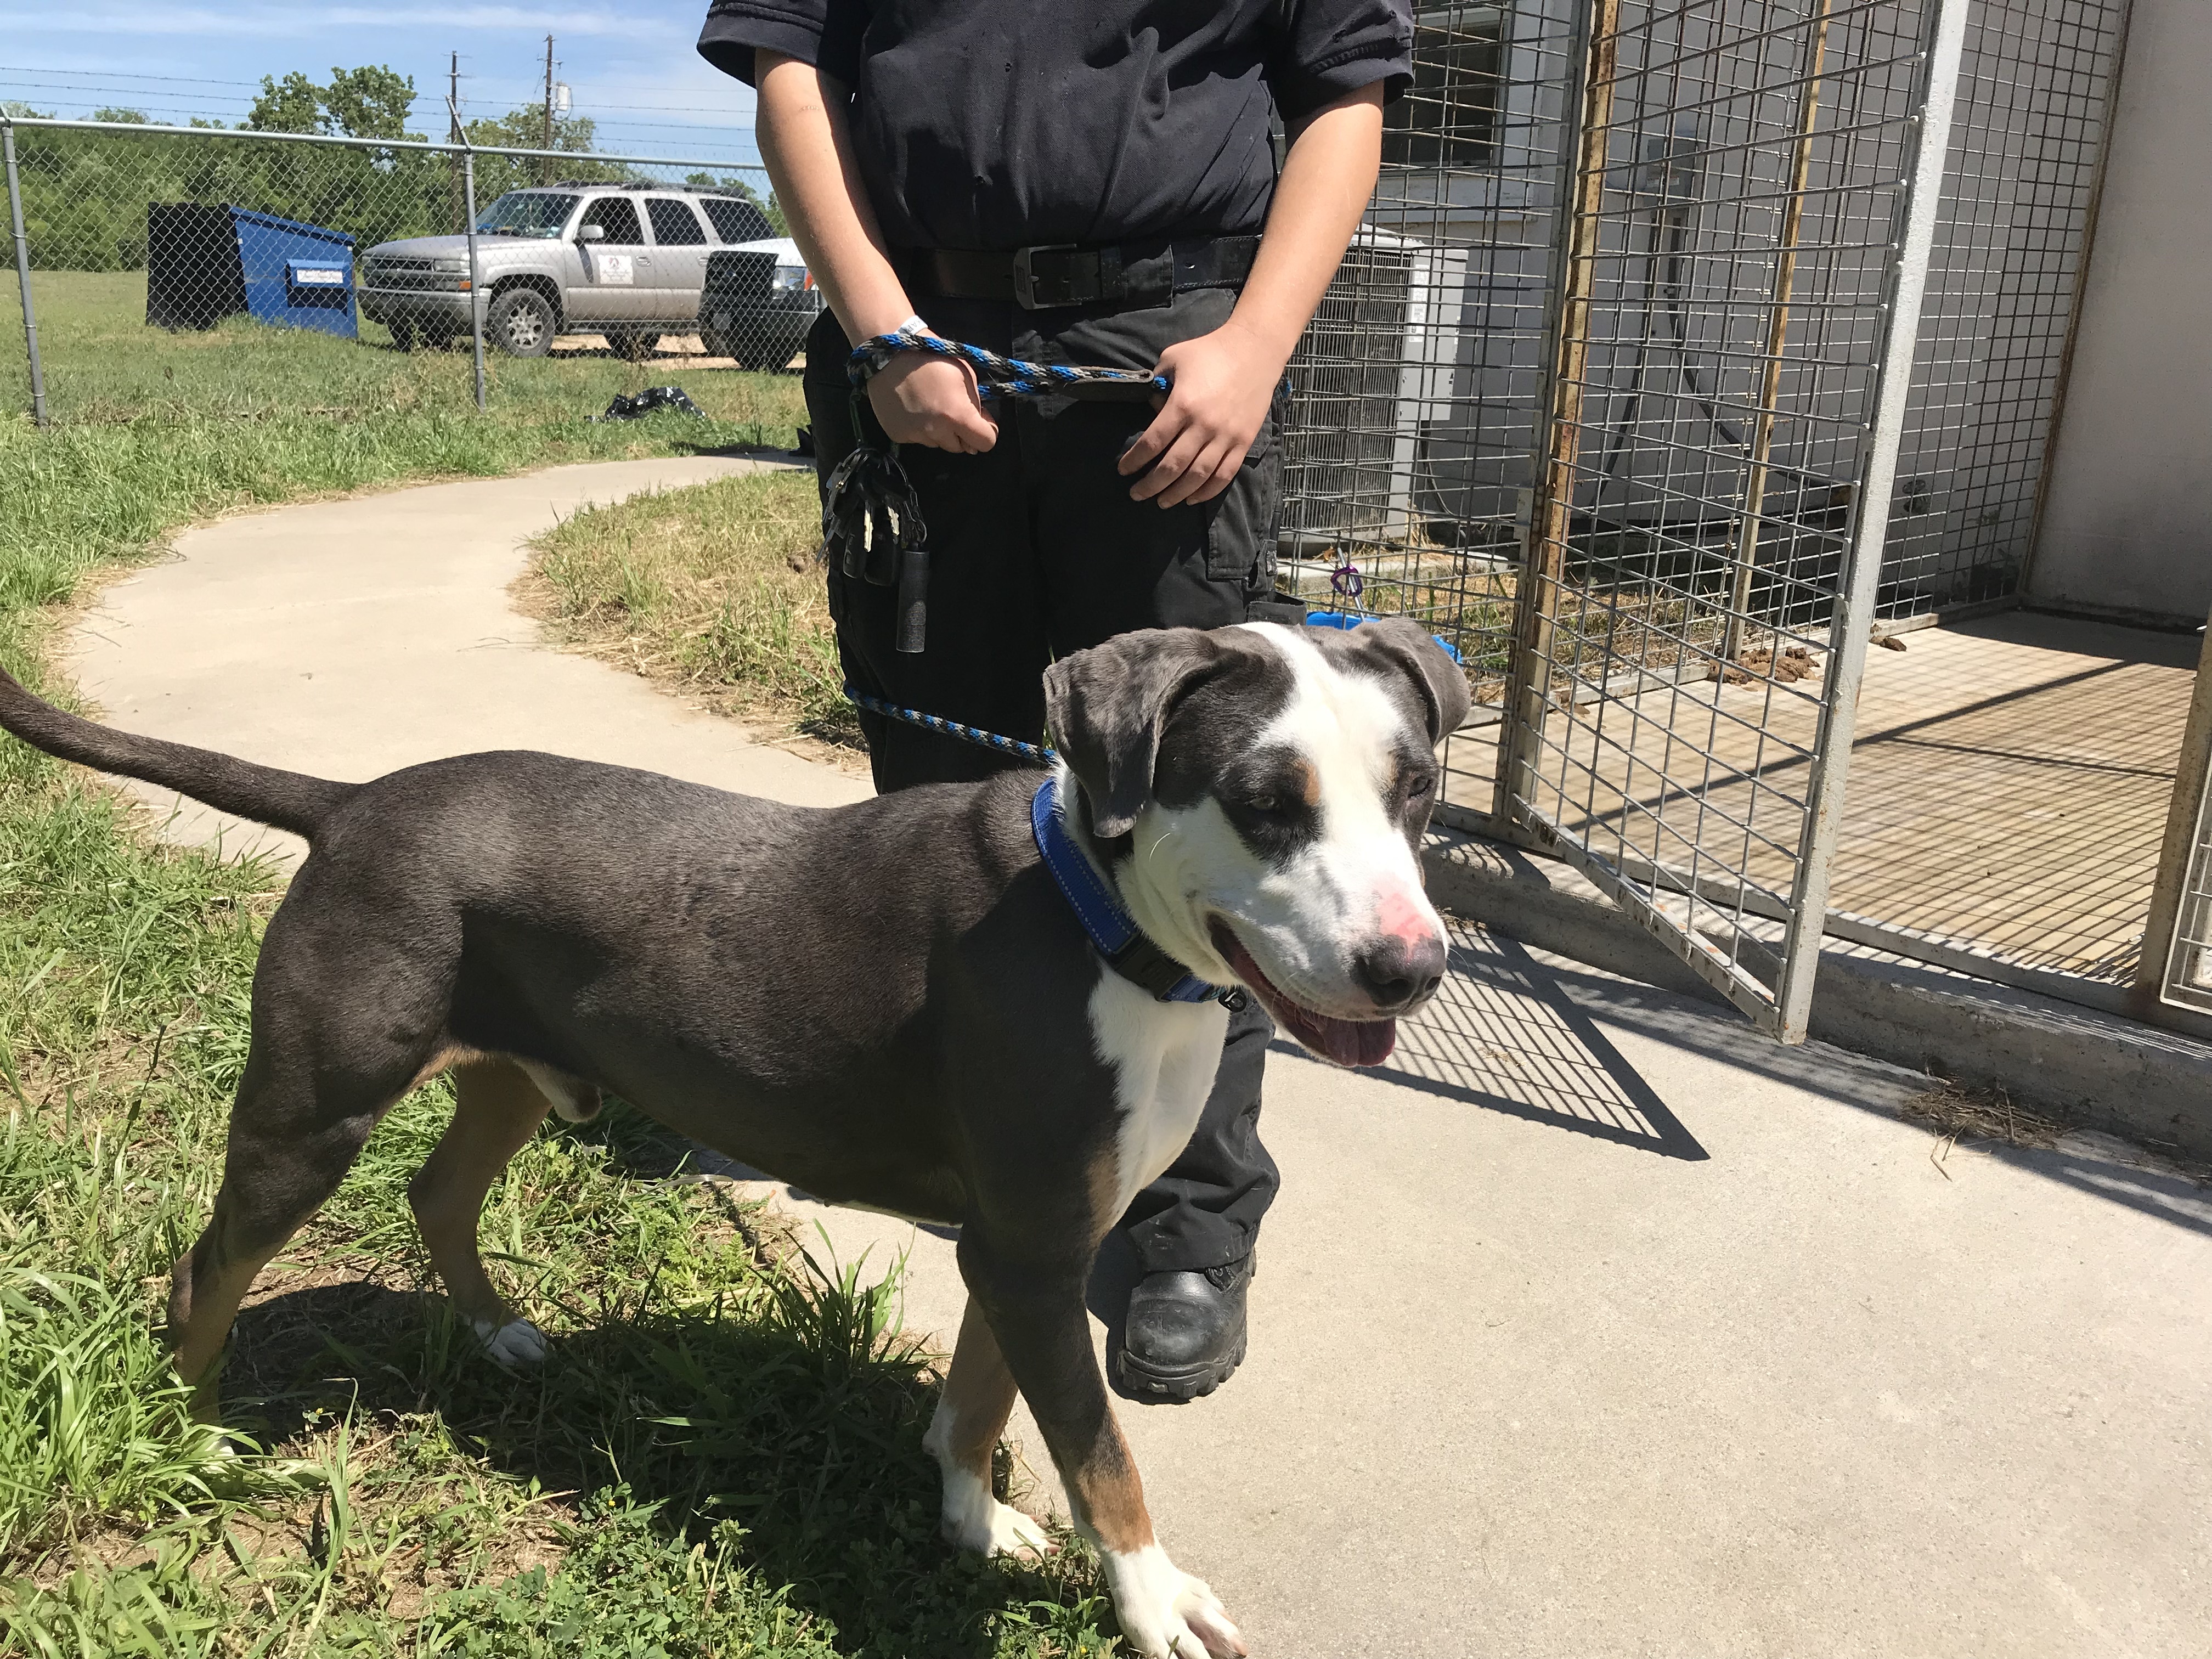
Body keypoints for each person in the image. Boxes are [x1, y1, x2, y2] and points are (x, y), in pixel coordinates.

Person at [698, 0, 1409, 1401]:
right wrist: (879, 327)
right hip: (914, 349)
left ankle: (1187, 1231)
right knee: (935, 814)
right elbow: (796, 69)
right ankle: (961, 1147)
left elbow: (1346, 91)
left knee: (1218, 832)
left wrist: (1258, 345)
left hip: (1170, 366)